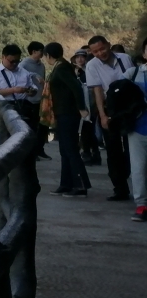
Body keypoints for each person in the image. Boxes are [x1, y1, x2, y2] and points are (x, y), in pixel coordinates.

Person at [85, 35, 135, 201]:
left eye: (102, 49)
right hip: (110, 108)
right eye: (95, 51)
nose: (100, 53)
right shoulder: (92, 65)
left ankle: (134, 180)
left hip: (130, 108)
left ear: (109, 45)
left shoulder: (125, 58)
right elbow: (97, 92)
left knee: (132, 148)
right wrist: (103, 116)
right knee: (113, 151)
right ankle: (120, 189)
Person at [0, 44, 40, 190]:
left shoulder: (23, 72)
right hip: (2, 109)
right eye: (11, 61)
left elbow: (33, 88)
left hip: (23, 108)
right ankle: (3, 176)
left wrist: (31, 91)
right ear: (3, 57)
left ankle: (20, 173)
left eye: (17, 61)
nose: (14, 64)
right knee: (3, 142)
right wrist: (14, 90)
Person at [43, 43, 91, 196]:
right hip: (63, 113)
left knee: (70, 149)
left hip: (68, 113)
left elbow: (75, 87)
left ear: (49, 55)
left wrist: (82, 108)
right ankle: (66, 184)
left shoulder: (62, 68)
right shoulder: (61, 66)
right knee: (65, 150)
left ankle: (80, 185)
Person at [124, 37, 147, 222]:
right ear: (144, 52)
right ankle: (141, 205)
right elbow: (116, 93)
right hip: (137, 128)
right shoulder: (133, 73)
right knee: (138, 168)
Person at [20, 41, 50, 159]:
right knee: (31, 128)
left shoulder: (41, 65)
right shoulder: (24, 64)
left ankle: (39, 150)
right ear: (33, 52)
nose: (42, 53)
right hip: (28, 101)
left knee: (42, 127)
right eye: (41, 51)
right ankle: (31, 152)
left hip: (41, 100)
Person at [72, 49, 101, 164]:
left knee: (89, 130)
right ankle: (89, 153)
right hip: (79, 105)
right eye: (77, 57)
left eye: (82, 57)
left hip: (91, 104)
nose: (80, 59)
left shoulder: (90, 70)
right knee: (85, 131)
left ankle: (91, 153)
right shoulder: (72, 71)